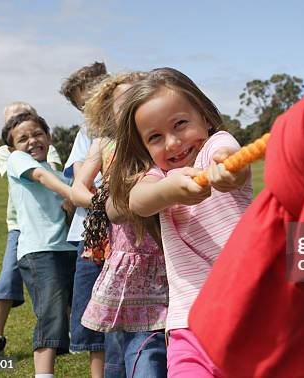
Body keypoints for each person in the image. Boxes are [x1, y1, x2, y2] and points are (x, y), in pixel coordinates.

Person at [108, 67, 252, 376]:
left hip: (253, 312)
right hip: (189, 324)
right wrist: (169, 190)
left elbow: (231, 159)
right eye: (155, 137)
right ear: (144, 147)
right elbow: (138, 201)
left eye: (180, 124)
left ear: (205, 118)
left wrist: (227, 170)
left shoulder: (216, 146)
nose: (172, 143)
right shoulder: (157, 177)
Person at [73, 72, 168, 377]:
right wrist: (110, 205)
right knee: (123, 336)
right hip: (125, 251)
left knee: (151, 337)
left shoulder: (155, 137)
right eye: (119, 103)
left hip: (164, 249)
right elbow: (78, 189)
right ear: (107, 111)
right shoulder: (103, 143)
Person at [0, 101, 62, 360]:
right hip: (20, 227)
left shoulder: (49, 149)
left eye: (25, 118)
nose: (19, 123)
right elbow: (30, 172)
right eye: (13, 122)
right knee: (8, 277)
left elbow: (53, 170)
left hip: (48, 224)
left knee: (60, 280)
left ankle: (62, 333)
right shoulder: (8, 153)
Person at [3, 111, 77, 377]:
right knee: (51, 316)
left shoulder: (61, 174)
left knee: (75, 313)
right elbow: (42, 178)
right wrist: (75, 194)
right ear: (14, 146)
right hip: (40, 252)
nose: (33, 141)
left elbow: (68, 211)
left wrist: (71, 203)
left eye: (38, 134)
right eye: (23, 138)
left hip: (69, 250)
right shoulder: (17, 160)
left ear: (49, 137)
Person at [59, 61, 108, 378]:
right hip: (90, 231)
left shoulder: (132, 121)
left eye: (89, 99)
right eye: (80, 105)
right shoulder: (86, 133)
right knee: (93, 307)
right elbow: (79, 174)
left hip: (126, 229)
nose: (87, 108)